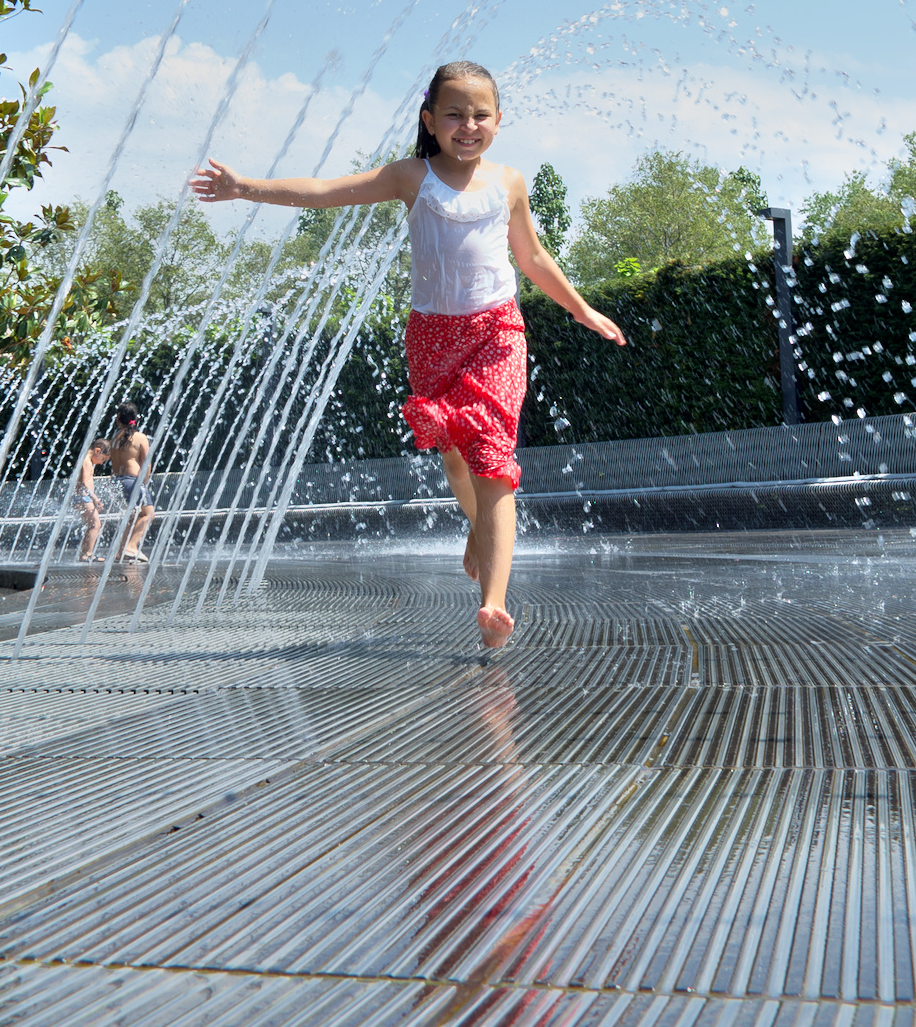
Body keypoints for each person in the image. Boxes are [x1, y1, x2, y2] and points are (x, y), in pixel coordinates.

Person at [189, 59, 625, 648]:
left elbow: (534, 258)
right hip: (432, 338)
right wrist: (245, 188)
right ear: (429, 120)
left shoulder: (509, 182)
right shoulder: (411, 177)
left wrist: (581, 309)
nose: (468, 126)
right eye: (454, 115)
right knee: (455, 457)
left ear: (499, 120)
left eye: (480, 115)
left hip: (497, 332)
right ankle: (479, 529)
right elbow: (326, 193)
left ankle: (494, 603)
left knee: (492, 456)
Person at [108, 404, 157, 563]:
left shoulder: (115, 438)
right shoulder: (140, 437)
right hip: (132, 481)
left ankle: (121, 551)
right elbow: (146, 463)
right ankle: (131, 546)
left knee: (132, 516)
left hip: (118, 481)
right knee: (148, 514)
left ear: (119, 419)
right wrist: (144, 483)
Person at [74, 438, 111, 561]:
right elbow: (85, 482)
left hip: (82, 497)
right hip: (83, 497)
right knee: (95, 524)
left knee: (92, 524)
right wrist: (95, 498)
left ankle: (85, 554)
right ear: (97, 451)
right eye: (103, 459)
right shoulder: (86, 461)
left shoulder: (86, 460)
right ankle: (87, 554)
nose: (101, 463)